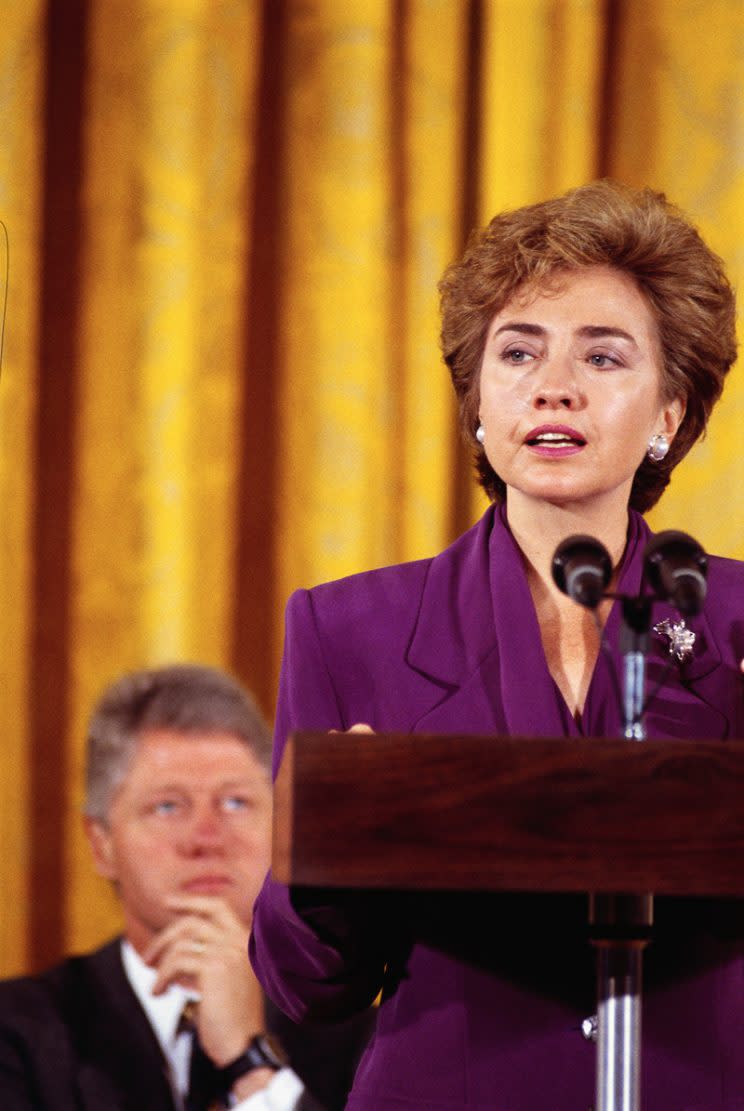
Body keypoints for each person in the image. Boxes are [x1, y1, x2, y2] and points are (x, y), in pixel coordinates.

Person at [249, 180, 744, 1110]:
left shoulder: (737, 623)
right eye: (519, 352)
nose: (554, 383)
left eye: (604, 356)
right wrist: (320, 854)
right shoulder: (349, 629)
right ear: (479, 402)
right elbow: (307, 985)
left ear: (668, 416)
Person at [0, 664, 373, 1110]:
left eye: (236, 802)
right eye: (168, 806)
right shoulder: (17, 1034)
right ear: (102, 845)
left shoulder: (364, 1044)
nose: (207, 838)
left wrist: (251, 1063)